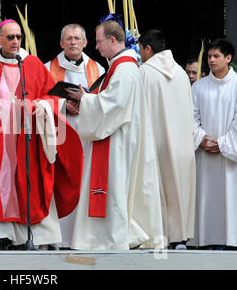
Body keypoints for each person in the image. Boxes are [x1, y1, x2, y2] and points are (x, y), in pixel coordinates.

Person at [0, 19, 83, 250]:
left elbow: (49, 95)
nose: (15, 41)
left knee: (27, 182)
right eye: (10, 37)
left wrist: (44, 106)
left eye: (18, 37)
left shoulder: (31, 64)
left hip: (28, 137)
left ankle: (27, 237)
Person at [65, 20, 163, 250]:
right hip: (116, 136)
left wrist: (85, 99)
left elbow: (115, 105)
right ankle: (116, 234)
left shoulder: (125, 67)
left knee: (115, 189)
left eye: (99, 42)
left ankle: (112, 237)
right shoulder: (120, 65)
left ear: (111, 40)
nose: (96, 47)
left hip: (118, 140)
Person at [44, 23, 105, 249]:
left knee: (85, 182)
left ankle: (84, 237)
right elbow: (39, 100)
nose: (73, 42)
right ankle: (58, 238)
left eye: (77, 38)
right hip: (60, 134)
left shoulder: (97, 69)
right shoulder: (47, 68)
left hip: (87, 136)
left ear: (85, 42)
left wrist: (86, 104)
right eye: (68, 39)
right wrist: (62, 105)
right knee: (61, 182)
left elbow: (106, 101)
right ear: (61, 43)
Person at [138, 29, 196, 250]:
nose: (140, 54)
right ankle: (180, 237)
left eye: (141, 49)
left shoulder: (145, 73)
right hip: (182, 145)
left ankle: (159, 236)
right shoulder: (181, 73)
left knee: (159, 188)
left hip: (158, 144)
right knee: (180, 188)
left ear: (148, 49)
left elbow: (139, 111)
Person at [191, 39, 237, 250]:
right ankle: (206, 243)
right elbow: (190, 117)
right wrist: (200, 138)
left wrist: (225, 144)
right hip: (205, 156)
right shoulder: (199, 87)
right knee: (207, 201)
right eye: (209, 56)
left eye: (216, 56)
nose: (211, 60)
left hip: (230, 159)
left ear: (229, 58)